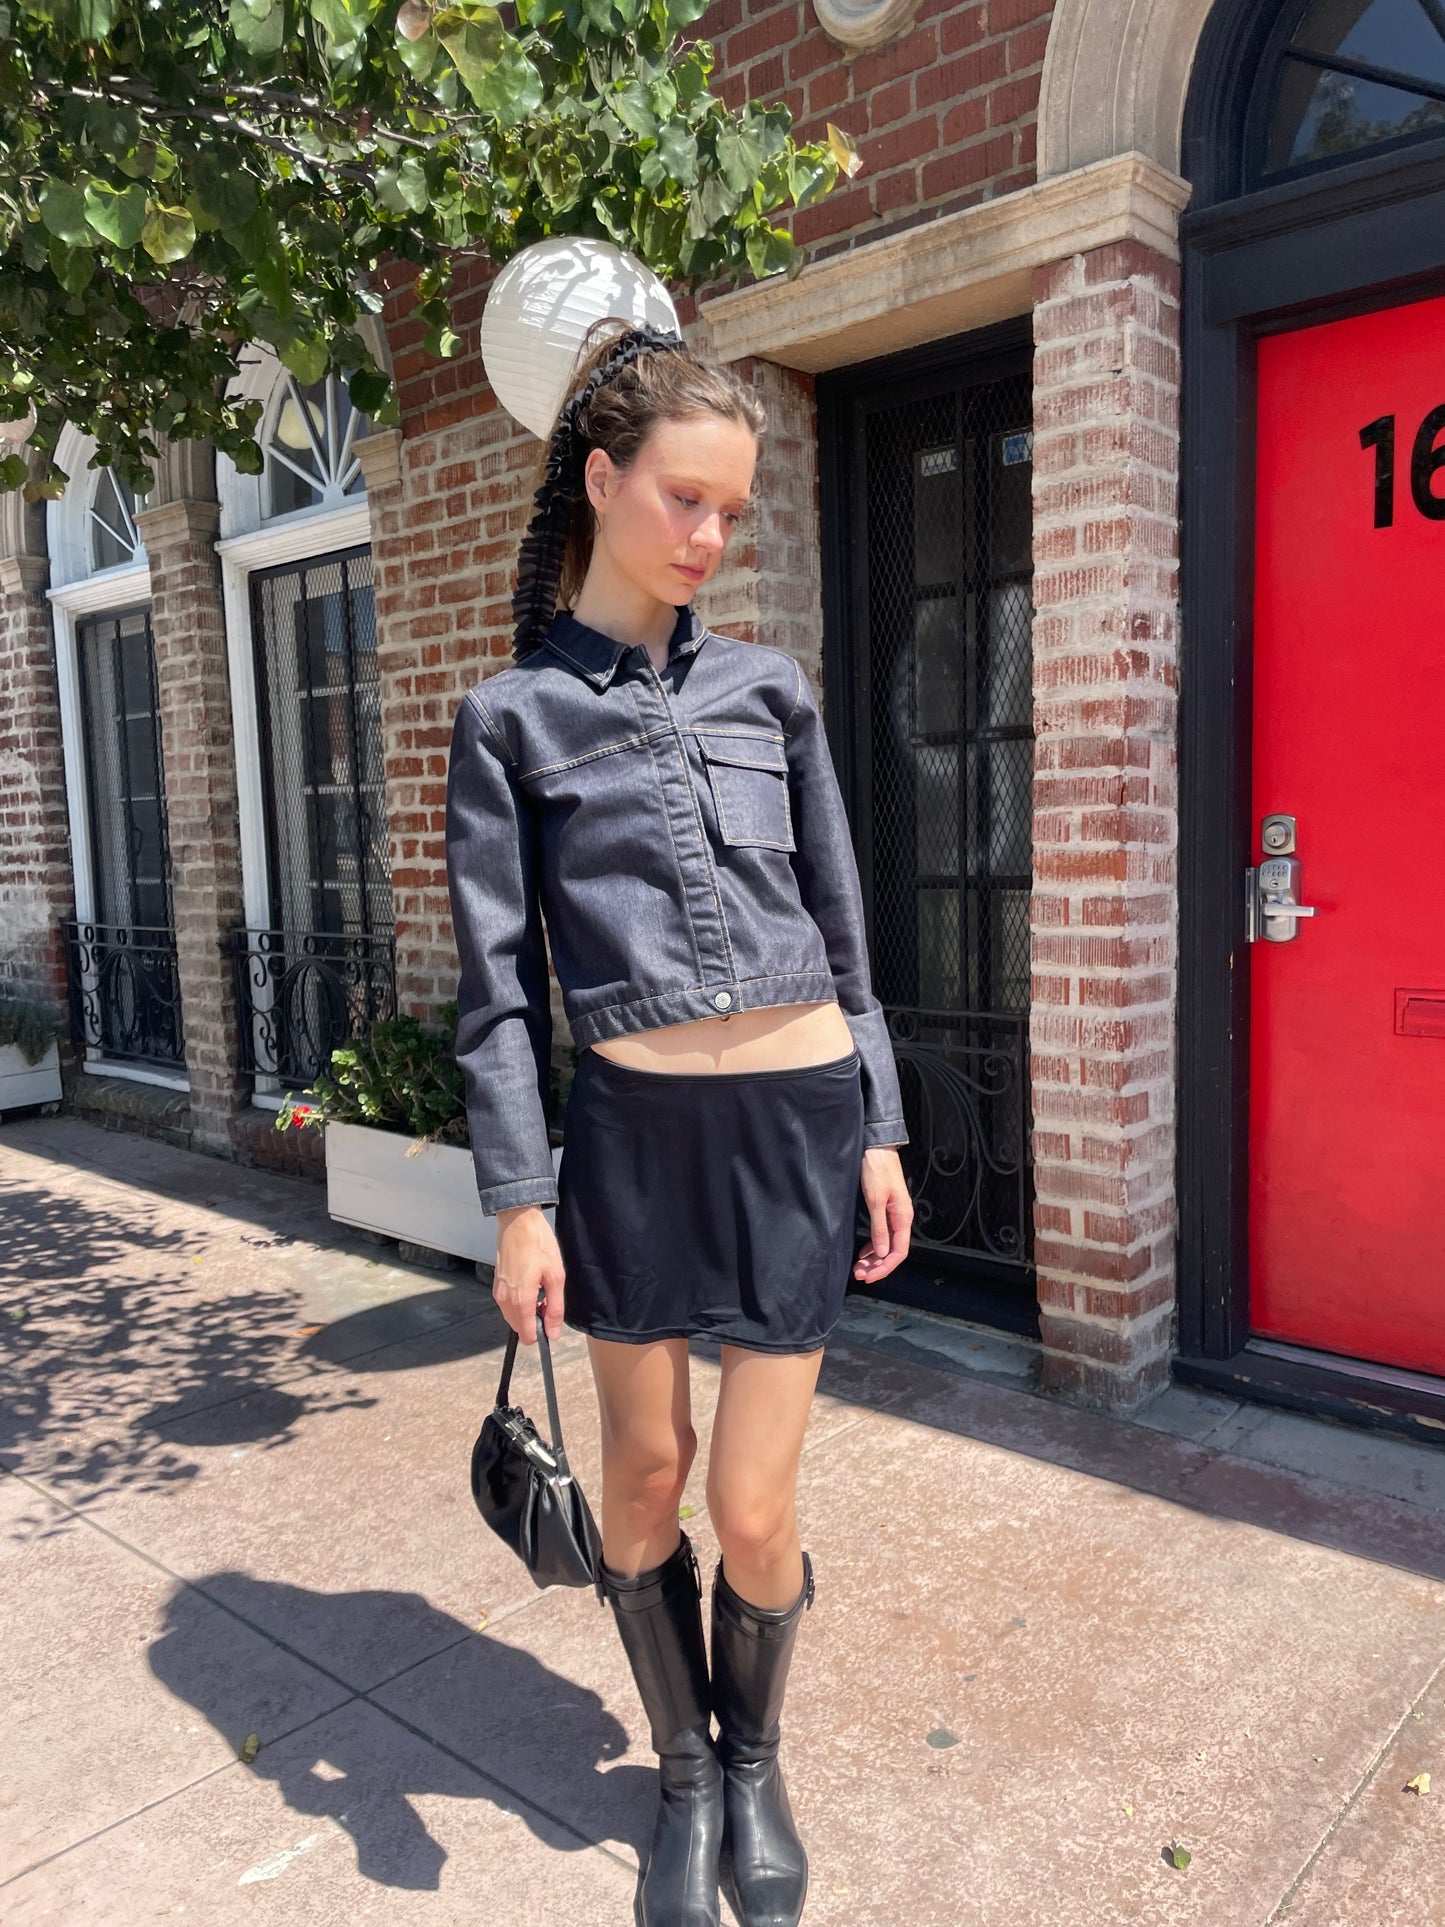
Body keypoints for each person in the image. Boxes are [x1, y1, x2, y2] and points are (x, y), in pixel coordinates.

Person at [445, 318, 914, 1927]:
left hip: (796, 1124)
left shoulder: (768, 689)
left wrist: (878, 1124)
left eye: (732, 511)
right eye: (686, 501)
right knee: (642, 1482)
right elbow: (498, 991)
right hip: (632, 1154)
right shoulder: (511, 719)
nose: (710, 539)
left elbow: (845, 933)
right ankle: (685, 1769)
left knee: (755, 1504)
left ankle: (759, 1760)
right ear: (602, 479)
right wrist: (519, 1197)